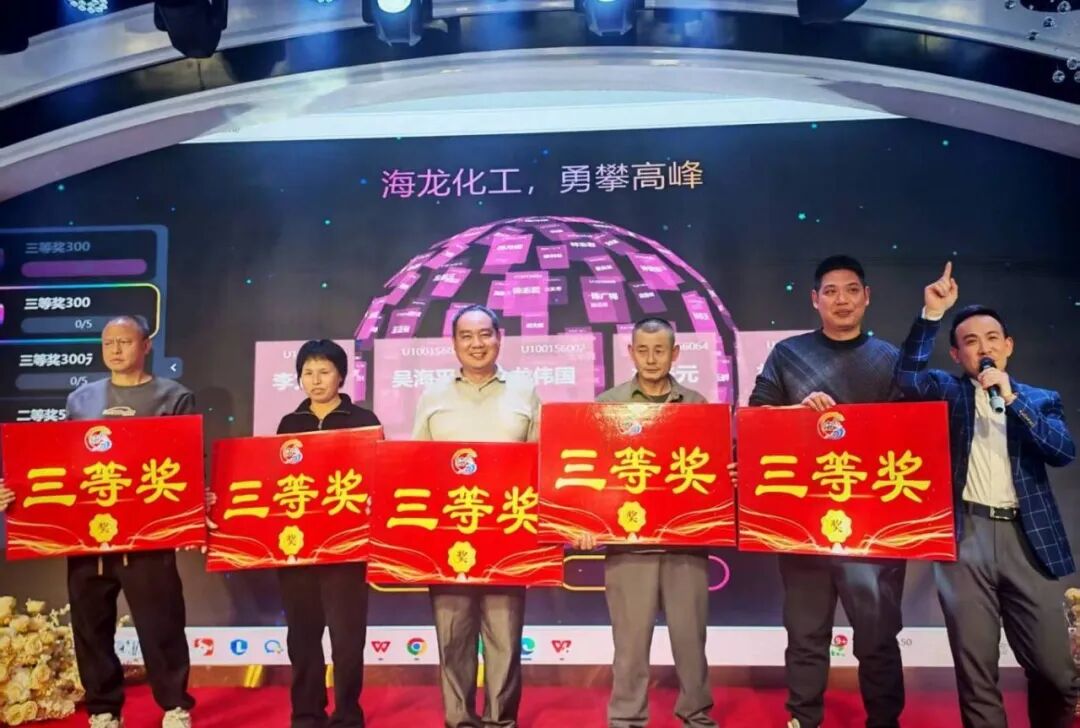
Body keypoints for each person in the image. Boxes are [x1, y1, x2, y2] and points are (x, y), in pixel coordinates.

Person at [895, 262, 1079, 728]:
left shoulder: (1039, 399)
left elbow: (1062, 451)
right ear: (957, 354)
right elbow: (908, 377)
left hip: (1027, 539)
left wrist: (1012, 400)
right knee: (976, 672)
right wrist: (932, 314)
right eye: (972, 342)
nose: (984, 348)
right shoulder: (947, 391)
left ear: (1008, 346)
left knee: (1057, 673)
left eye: (993, 338)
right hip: (965, 537)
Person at [747, 256, 905, 728]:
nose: (842, 300)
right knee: (806, 634)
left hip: (873, 527)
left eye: (851, 290)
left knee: (877, 637)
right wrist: (797, 413)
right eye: (831, 291)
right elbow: (756, 422)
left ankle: (885, 721)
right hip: (804, 525)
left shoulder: (890, 359)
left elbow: (911, 433)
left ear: (867, 297)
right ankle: (803, 719)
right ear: (815, 300)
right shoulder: (788, 355)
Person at [411, 304, 540, 728]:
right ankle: (460, 721)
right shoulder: (432, 396)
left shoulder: (525, 390)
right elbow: (414, 468)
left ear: (499, 338)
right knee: (453, 641)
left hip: (508, 537)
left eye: (485, 334)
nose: (477, 344)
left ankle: (502, 721)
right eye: (466, 336)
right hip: (448, 540)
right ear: (453, 343)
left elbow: (542, 463)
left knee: (505, 640)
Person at [67, 315, 196, 728]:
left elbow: (187, 463)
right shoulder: (80, 400)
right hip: (90, 534)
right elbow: (63, 462)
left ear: (146, 345)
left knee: (161, 623)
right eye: (108, 343)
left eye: (124, 341)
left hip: (149, 534)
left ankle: (174, 706)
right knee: (91, 624)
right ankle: (103, 709)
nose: (116, 350)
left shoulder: (173, 397)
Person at [586, 317, 715, 728]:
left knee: (691, 641)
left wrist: (726, 474)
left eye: (660, 350)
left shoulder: (697, 405)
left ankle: (696, 715)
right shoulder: (608, 405)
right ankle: (627, 718)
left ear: (675, 353)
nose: (652, 358)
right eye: (643, 350)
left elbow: (711, 472)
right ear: (630, 353)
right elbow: (593, 473)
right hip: (628, 547)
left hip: (685, 545)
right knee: (629, 644)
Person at [273, 339, 381, 728]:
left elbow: (379, 477)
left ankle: (348, 714)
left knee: (347, 638)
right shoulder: (289, 424)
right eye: (308, 373)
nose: (316, 380)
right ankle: (307, 714)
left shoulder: (363, 420)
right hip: (298, 549)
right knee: (302, 636)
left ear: (341, 376)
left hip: (347, 549)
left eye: (324, 372)